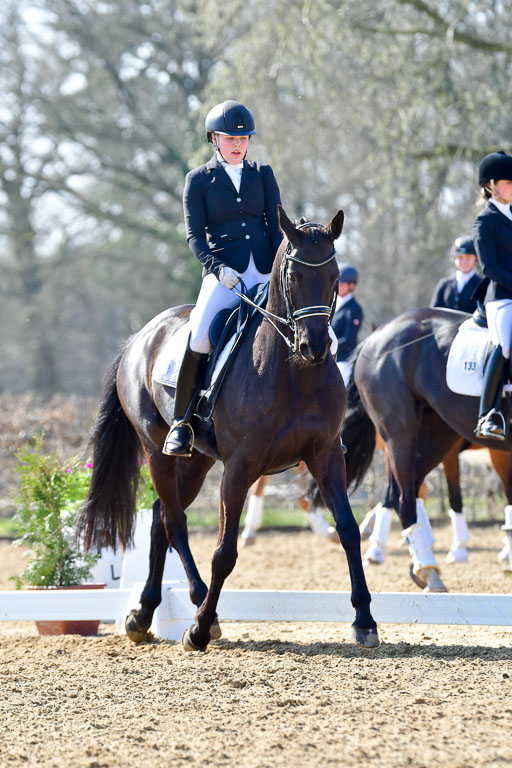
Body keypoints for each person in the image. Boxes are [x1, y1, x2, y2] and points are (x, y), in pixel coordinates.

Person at [162, 100, 283, 456]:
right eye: (231, 138)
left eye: (244, 138)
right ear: (214, 139)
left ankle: (325, 418)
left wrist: (278, 268)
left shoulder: (263, 174)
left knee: (308, 326)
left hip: (265, 271)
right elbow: (195, 237)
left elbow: (275, 227)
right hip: (224, 274)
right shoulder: (198, 180)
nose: (238, 144)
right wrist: (218, 269)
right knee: (200, 335)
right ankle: (181, 423)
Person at [473, 150, 512, 440]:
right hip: (501, 297)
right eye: (509, 182)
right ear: (491, 185)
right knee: (506, 344)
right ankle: (487, 414)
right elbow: (489, 266)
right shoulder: (484, 221)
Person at [430, 237, 482, 314]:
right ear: (454, 259)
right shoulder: (444, 284)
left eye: (468, 258)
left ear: (475, 259)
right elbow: (433, 312)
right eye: (460, 258)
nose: (464, 262)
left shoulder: (481, 285)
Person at [331, 263, 363, 384]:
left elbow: (349, 340)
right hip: (326, 357)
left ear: (351, 285)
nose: (336, 285)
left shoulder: (354, 309)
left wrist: (327, 347)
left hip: (343, 360)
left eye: (341, 282)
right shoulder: (333, 304)